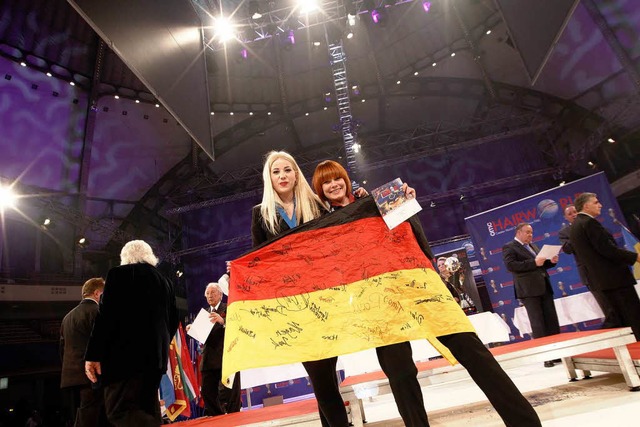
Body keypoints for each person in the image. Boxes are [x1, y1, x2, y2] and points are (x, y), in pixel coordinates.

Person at [312, 159, 541, 426]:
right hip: (379, 304)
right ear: (319, 190)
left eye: (336, 178)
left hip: (417, 285)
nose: (333, 185)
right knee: (400, 373)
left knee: (472, 350)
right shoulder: (325, 224)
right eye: (325, 182)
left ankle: (524, 422)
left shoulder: (380, 200)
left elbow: (415, 237)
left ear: (346, 180)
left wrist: (407, 205)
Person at [251, 151, 348, 427]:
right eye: (276, 171)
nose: (282, 176)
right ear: (269, 178)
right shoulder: (260, 215)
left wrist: (361, 196)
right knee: (321, 377)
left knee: (326, 376)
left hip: (325, 303)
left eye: (287, 170)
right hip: (293, 311)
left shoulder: (316, 205)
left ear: (296, 174)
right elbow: (259, 262)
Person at [84, 240, 178, 426]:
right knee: (148, 408)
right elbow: (173, 320)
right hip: (156, 360)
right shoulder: (164, 281)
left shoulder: (118, 274)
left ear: (124, 257)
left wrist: (93, 355)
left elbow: (106, 318)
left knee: (119, 411)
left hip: (125, 360)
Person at [569, 192, 640, 341]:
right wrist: (635, 257)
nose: (600, 205)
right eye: (596, 202)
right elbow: (607, 250)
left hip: (604, 281)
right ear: (586, 206)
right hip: (615, 280)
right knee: (633, 317)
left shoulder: (576, 225)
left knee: (622, 322)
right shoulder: (589, 223)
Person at [503, 223, 561, 366]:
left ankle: (558, 353)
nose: (530, 235)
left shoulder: (533, 246)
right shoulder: (509, 247)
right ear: (518, 232)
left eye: (531, 232)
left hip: (544, 286)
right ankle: (547, 357)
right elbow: (511, 266)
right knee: (538, 324)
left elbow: (539, 264)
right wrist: (534, 262)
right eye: (527, 232)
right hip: (529, 290)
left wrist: (551, 262)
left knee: (551, 321)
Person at [558, 204, 620, 328]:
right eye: (570, 214)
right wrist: (578, 233)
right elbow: (568, 249)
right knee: (603, 300)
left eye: (575, 212)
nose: (574, 215)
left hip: (604, 267)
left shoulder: (590, 224)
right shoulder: (564, 232)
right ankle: (615, 324)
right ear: (565, 217)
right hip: (588, 271)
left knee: (616, 296)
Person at [60, 277, 108, 427]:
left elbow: (62, 349)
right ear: (97, 293)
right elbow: (104, 344)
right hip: (93, 374)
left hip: (71, 375)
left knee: (85, 411)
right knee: (93, 413)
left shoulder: (67, 317)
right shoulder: (98, 312)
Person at [188, 282, 241, 416]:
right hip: (209, 358)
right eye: (207, 293)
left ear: (220, 294)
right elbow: (201, 336)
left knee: (230, 392)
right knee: (207, 391)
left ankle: (235, 417)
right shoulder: (204, 313)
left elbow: (238, 328)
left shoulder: (228, 308)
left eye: (213, 293)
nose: (210, 296)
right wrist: (192, 329)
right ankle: (218, 417)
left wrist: (223, 322)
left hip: (226, 356)